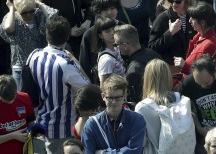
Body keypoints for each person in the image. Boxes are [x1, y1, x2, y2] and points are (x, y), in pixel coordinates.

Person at [28, 15, 90, 154]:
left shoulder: (34, 56)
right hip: (64, 127)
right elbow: (87, 88)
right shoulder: (66, 63)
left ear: (46, 34)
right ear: (67, 37)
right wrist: (75, 61)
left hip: (43, 122)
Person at [81, 75, 147, 154]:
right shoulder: (92, 125)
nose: (114, 102)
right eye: (110, 98)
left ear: (124, 96)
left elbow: (134, 151)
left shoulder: (137, 120)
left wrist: (102, 153)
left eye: (118, 98)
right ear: (103, 97)